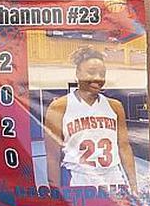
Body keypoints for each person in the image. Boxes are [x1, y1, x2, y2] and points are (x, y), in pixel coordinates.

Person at [44, 47, 138, 192]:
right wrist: (55, 192)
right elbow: (52, 156)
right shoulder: (59, 107)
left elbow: (124, 147)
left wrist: (133, 185)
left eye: (102, 74)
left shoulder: (115, 107)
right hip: (77, 180)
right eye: (92, 72)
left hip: (113, 179)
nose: (98, 78)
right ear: (77, 73)